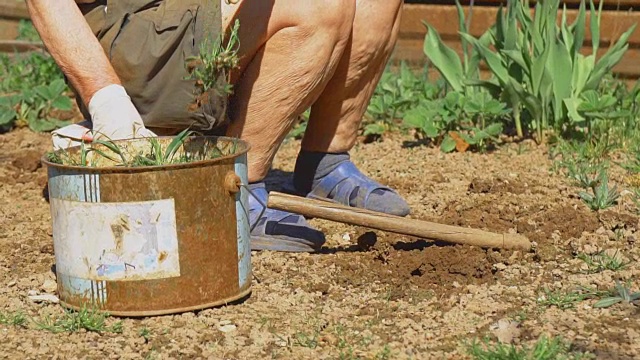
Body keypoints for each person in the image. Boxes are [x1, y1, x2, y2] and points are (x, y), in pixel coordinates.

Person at [26, 0, 410, 252]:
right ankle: (239, 189)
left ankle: (325, 160)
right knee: (316, 4)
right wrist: (106, 99)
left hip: (197, 11)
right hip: (133, 30)